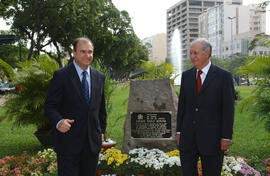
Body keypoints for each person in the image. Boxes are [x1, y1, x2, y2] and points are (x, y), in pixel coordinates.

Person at [44, 37, 107, 176]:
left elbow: (101, 110)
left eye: (90, 52)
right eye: (83, 51)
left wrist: (101, 131)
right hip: (68, 144)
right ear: (74, 52)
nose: (87, 55)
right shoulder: (61, 76)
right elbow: (49, 106)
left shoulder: (99, 77)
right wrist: (59, 122)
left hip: (92, 145)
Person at [176, 38, 235, 176]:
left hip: (212, 140)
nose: (192, 57)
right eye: (190, 53)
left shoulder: (223, 76)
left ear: (207, 53)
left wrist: (226, 137)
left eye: (195, 53)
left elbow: (228, 110)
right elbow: (182, 106)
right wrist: (179, 131)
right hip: (188, 137)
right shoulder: (186, 76)